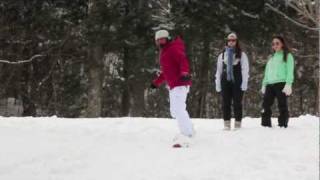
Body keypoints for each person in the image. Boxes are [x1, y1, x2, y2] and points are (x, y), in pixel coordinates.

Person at [151, 30, 194, 147]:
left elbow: (183, 60)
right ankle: (189, 128)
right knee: (174, 112)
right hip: (173, 85)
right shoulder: (164, 52)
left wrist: (184, 73)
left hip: (180, 83)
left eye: (163, 39)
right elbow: (166, 72)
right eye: (158, 40)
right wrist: (156, 83)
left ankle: (187, 134)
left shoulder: (173, 48)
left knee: (179, 110)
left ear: (168, 38)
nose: (161, 42)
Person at [215, 32, 249, 130]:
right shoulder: (222, 55)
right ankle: (227, 123)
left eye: (233, 40)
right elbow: (219, 71)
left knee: (237, 102)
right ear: (227, 41)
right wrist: (217, 83)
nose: (231, 42)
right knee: (226, 103)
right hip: (225, 81)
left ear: (236, 41)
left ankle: (238, 123)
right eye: (229, 40)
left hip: (238, 81)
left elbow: (245, 70)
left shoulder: (242, 55)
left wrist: (244, 83)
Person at [261, 36, 294, 128]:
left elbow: (290, 71)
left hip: (281, 83)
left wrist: (288, 84)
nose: (275, 45)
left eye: (277, 43)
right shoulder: (271, 58)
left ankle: (283, 124)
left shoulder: (287, 55)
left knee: (282, 104)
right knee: (265, 104)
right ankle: (265, 124)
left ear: (282, 44)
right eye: (273, 44)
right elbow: (266, 72)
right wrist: (264, 84)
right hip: (270, 84)